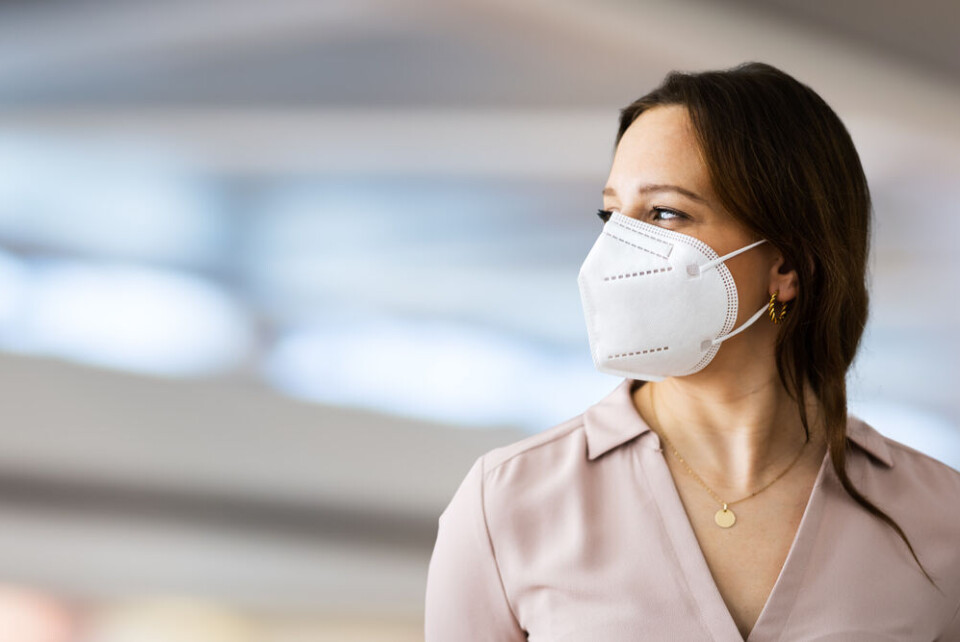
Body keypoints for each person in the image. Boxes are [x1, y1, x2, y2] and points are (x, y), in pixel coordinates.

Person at [423, 62, 960, 641]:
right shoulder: (506, 503)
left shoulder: (941, 520)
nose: (616, 248)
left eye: (665, 213)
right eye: (611, 214)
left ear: (786, 265)